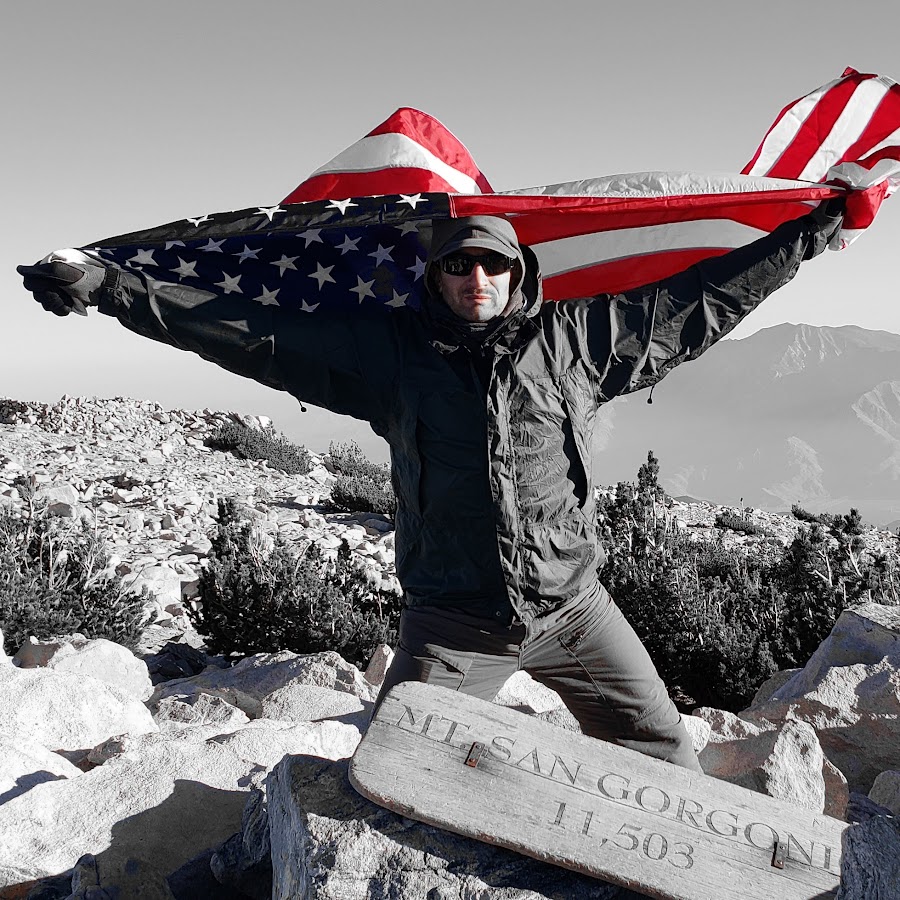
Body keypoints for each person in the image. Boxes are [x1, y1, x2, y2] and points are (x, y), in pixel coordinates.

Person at [18, 201, 843, 772]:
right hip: (453, 620)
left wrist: (808, 234)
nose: (477, 277)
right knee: (390, 769)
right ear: (437, 276)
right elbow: (249, 332)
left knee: (662, 750)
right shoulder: (391, 355)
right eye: (459, 264)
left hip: (573, 606)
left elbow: (702, 301)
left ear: (516, 272)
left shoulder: (579, 340)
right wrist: (111, 288)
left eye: (493, 263)